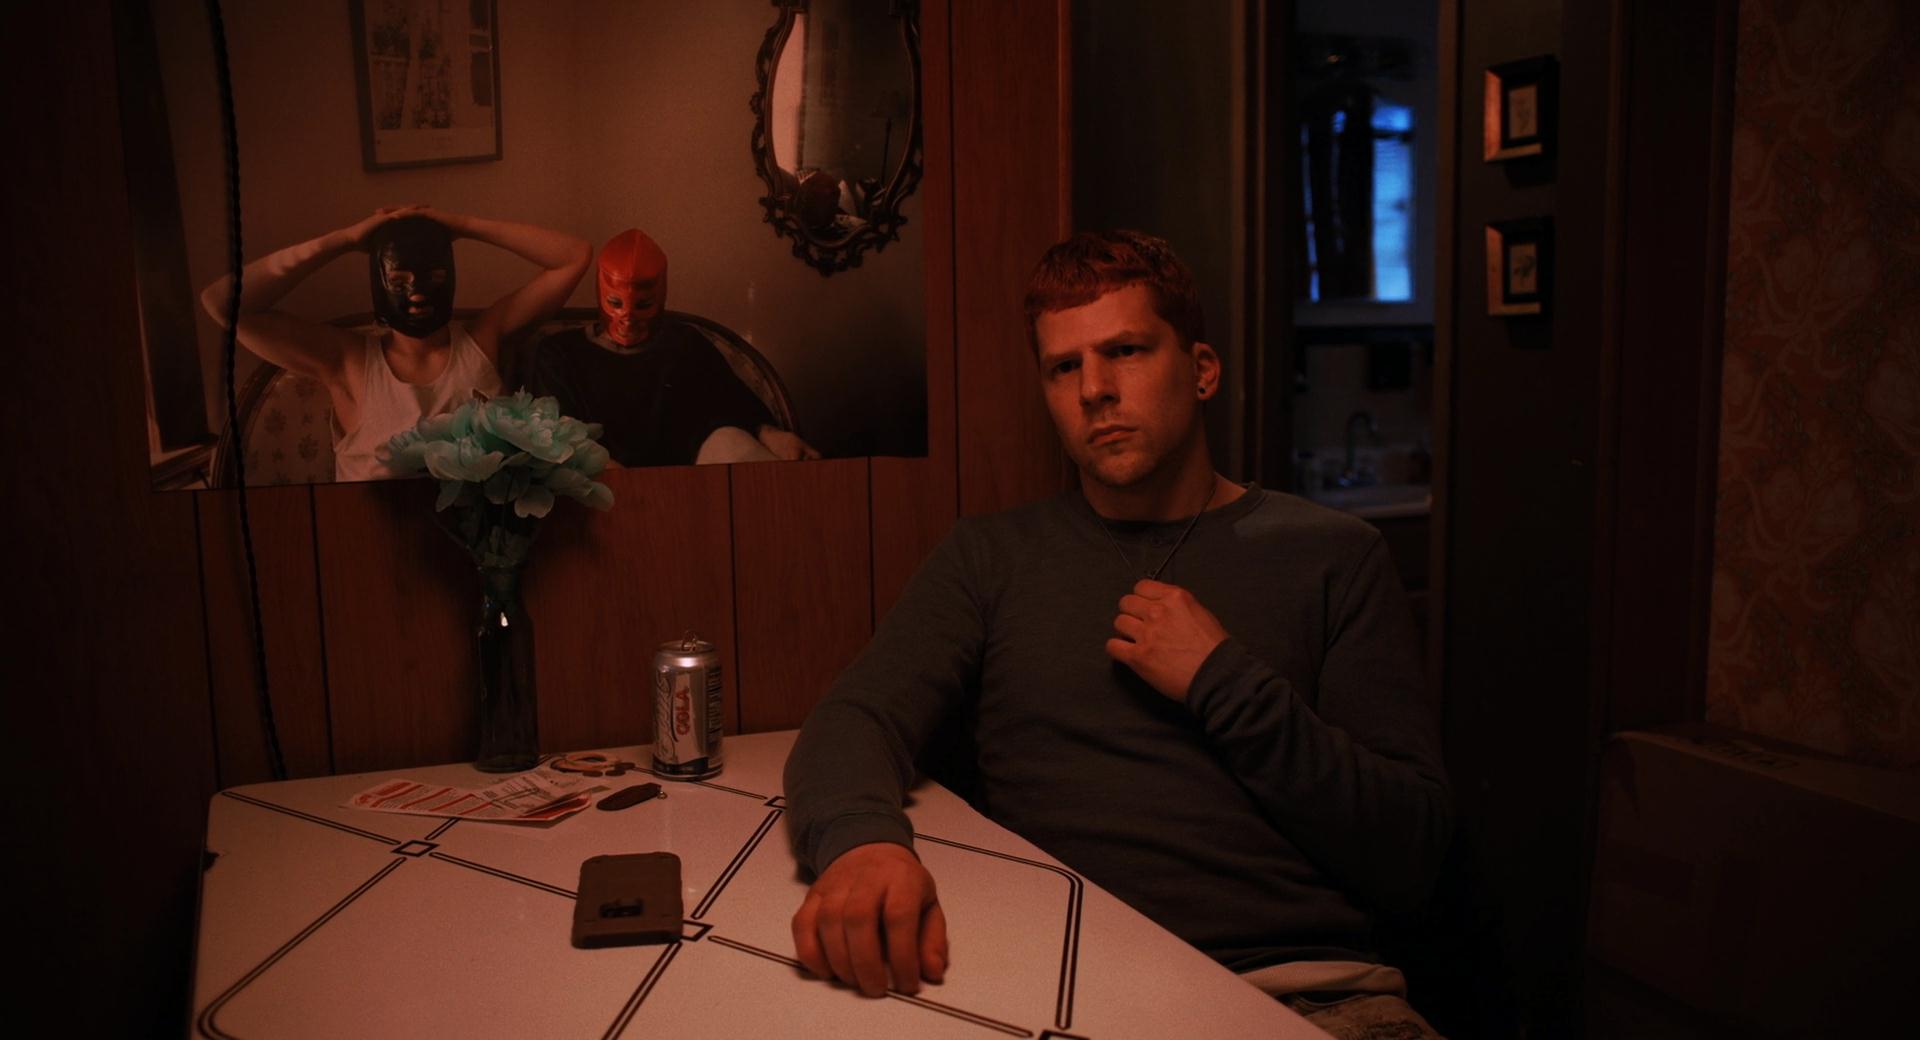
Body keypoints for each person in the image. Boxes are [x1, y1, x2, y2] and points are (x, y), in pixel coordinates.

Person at [783, 230, 1451, 1038]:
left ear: (1201, 369)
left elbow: (1413, 856)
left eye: (1125, 351)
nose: (1094, 390)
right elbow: (856, 717)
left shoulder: (1333, 556)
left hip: (1310, 996)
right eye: (1063, 368)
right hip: (1068, 993)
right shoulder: (991, 556)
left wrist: (1225, 683)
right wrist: (863, 846)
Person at [200, 205, 591, 482]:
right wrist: (345, 240)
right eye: (399, 282)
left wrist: (462, 226)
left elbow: (574, 256)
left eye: (433, 278)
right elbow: (222, 304)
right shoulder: (349, 362)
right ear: (378, 284)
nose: (417, 294)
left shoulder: (483, 339)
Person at [515, 228, 818, 466]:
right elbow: (557, 433)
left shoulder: (685, 344)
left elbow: (732, 403)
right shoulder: (560, 354)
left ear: (661, 297)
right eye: (615, 303)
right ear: (600, 293)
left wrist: (771, 434)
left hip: (696, 482)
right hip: (601, 487)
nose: (627, 317)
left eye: (642, 305)